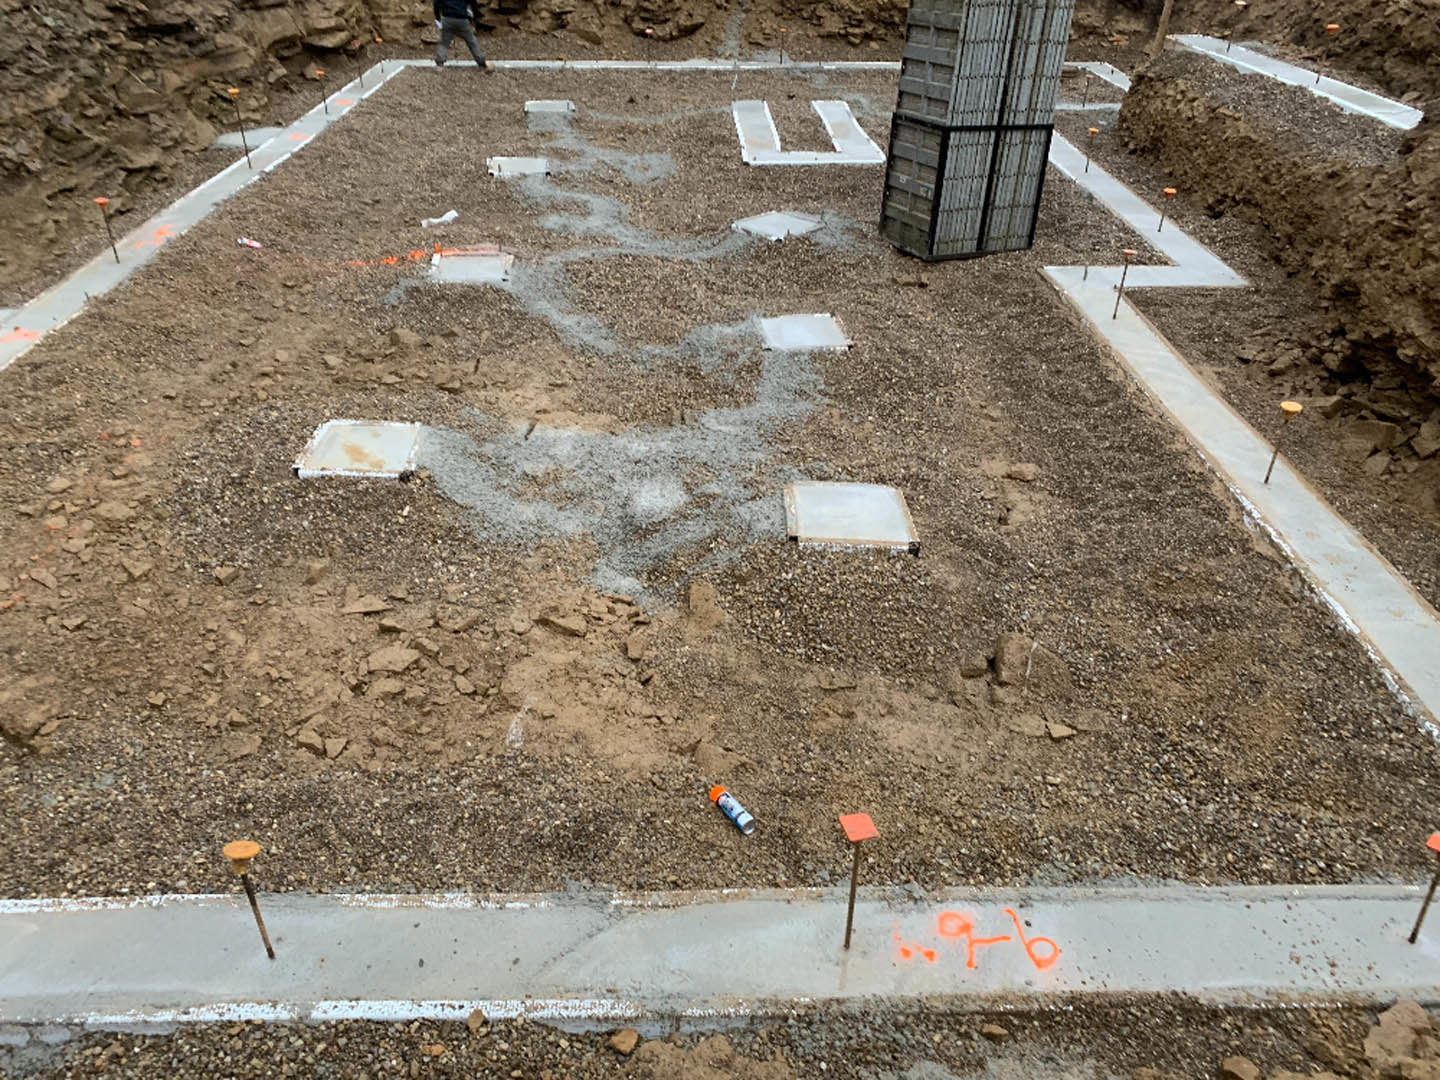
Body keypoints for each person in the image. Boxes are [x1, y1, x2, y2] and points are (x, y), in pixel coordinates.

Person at [434, 0, 488, 69]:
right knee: (471, 41)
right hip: (462, 19)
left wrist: (438, 18)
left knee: (445, 42)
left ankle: (440, 62)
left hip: (447, 18)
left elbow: (436, 4)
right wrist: (475, 17)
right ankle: (481, 61)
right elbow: (473, 3)